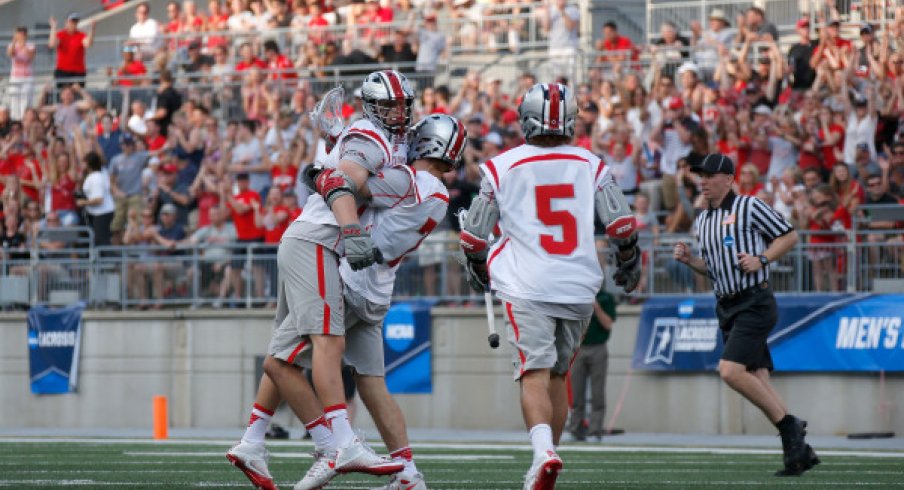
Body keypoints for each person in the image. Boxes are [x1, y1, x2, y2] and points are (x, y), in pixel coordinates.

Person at [225, 73, 421, 490]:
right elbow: (338, 180)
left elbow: (326, 172)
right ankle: (339, 442)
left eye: (404, 105)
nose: (398, 113)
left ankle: (253, 440)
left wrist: (325, 162)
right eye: (390, 105)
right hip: (320, 239)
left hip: (307, 239)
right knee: (327, 343)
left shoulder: (387, 140)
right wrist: (350, 228)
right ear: (371, 106)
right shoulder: (372, 136)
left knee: (285, 354)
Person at [458, 83, 642, 490]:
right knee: (558, 375)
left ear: (526, 118)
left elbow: (474, 237)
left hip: (527, 283)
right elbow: (622, 226)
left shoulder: (500, 166)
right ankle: (549, 459)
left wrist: (475, 266)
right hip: (579, 287)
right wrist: (629, 262)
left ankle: (543, 453)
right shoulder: (590, 163)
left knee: (534, 374)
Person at [671, 153, 820, 476]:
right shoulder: (702, 220)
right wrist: (689, 261)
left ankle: (790, 425)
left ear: (729, 179)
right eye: (701, 175)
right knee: (758, 378)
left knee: (729, 371)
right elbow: (713, 268)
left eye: (710, 175)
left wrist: (762, 259)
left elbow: (790, 235)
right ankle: (798, 453)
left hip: (754, 300)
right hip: (726, 304)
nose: (703, 181)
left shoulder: (749, 206)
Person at [568, 286, 616, 442]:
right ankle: (576, 429)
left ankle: (595, 430)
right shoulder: (577, 296)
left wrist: (596, 308)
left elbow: (608, 324)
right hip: (579, 348)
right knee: (576, 393)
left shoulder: (606, 298)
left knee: (597, 393)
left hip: (598, 348)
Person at [76, 151, 115, 247]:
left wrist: (83, 202)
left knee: (101, 240)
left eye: (84, 162)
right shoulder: (96, 175)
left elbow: (99, 199)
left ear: (89, 164)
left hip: (102, 213)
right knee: (97, 239)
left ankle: (108, 260)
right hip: (97, 213)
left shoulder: (96, 178)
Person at [47, 13, 95, 90]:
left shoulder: (81, 35)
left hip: (78, 71)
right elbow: (52, 44)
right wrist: (53, 27)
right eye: (72, 22)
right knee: (61, 95)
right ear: (67, 22)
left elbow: (88, 44)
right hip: (63, 71)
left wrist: (92, 29)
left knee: (78, 95)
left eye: (75, 22)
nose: (74, 24)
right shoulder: (61, 34)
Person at [7, 27, 35, 121]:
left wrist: (23, 44)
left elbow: (30, 56)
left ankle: (25, 120)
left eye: (23, 34)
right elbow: (10, 53)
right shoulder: (12, 45)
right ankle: (15, 120)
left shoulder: (30, 45)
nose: (21, 36)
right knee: (14, 99)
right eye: (19, 33)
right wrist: (15, 41)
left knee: (26, 100)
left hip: (27, 77)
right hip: (15, 76)